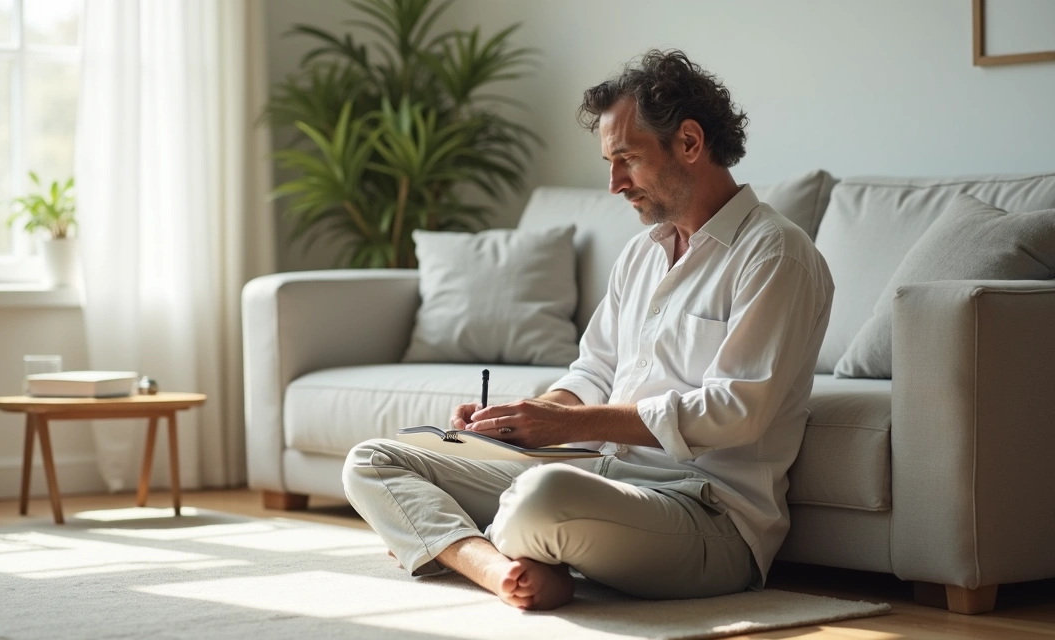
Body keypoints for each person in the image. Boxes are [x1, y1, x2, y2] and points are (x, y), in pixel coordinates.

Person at [342, 49, 834, 611]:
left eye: (627, 159)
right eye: (609, 162)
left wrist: (567, 423)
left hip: (708, 516)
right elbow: (593, 371)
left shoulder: (775, 254)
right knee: (374, 459)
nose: (614, 183)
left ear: (690, 143)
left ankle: (451, 542)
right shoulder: (641, 254)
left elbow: (736, 410)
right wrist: (520, 421)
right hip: (602, 476)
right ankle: (501, 569)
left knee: (541, 495)